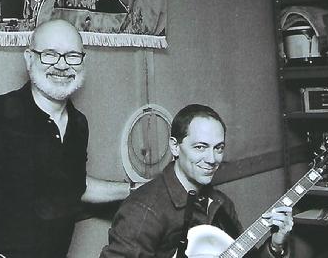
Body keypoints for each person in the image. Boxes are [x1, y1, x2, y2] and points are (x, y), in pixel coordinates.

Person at [0, 19, 131, 258]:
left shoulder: (78, 124)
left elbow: (74, 185)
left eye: (72, 56)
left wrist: (134, 189)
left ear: (83, 61)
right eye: (50, 55)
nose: (62, 66)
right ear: (29, 59)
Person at [100, 104, 293, 258]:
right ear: (175, 147)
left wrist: (275, 246)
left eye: (218, 148)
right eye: (200, 147)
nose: (211, 159)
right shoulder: (144, 209)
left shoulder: (221, 204)